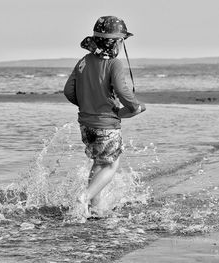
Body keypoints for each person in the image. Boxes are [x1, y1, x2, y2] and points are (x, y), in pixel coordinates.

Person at [63, 16, 146, 220]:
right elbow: (122, 90)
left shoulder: (84, 61)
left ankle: (95, 208)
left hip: (86, 124)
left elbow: (68, 91)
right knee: (110, 165)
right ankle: (84, 197)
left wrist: (86, 105)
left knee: (99, 163)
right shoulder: (115, 64)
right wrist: (135, 106)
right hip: (106, 124)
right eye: (121, 41)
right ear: (116, 42)